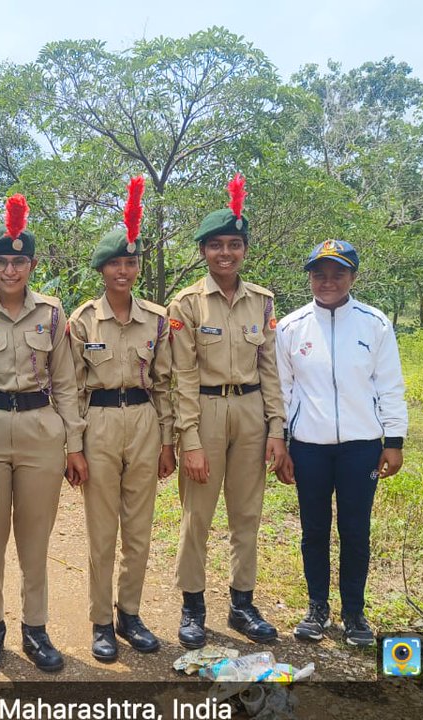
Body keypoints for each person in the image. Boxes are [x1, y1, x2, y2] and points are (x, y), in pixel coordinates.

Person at [0, 194, 87, 673]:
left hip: (39, 433)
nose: (11, 270)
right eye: (2, 261)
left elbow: (66, 382)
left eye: (20, 261)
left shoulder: (51, 312)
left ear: (31, 265)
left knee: (35, 537)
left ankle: (36, 628)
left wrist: (75, 445)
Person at [168, 174, 287, 649]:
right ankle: (192, 607)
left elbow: (271, 369)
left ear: (244, 250)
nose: (225, 254)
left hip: (252, 412)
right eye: (216, 245)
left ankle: (242, 604)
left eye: (234, 245)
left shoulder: (263, 301)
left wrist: (276, 428)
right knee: (197, 515)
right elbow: (183, 375)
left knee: (247, 514)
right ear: (203, 252)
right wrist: (189, 440)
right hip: (207, 411)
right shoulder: (188, 304)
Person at [275, 239, 407, 648]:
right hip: (309, 447)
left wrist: (394, 439)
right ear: (310, 278)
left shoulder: (375, 324)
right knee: (314, 530)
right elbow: (282, 389)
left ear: (353, 276)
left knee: (355, 530)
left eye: (338, 273)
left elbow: (389, 384)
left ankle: (354, 612)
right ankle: (317, 608)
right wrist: (280, 442)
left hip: (361, 446)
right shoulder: (291, 327)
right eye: (319, 273)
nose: (328, 281)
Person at [68, 178, 174, 662]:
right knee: (102, 529)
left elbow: (168, 379)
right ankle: (101, 621)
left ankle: (130, 613)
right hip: (101, 423)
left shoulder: (157, 318)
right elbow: (67, 387)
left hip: (145, 420)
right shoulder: (82, 321)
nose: (124, 271)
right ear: (102, 268)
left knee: (139, 526)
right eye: (115, 263)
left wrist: (169, 439)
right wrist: (73, 445)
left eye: (131, 262)